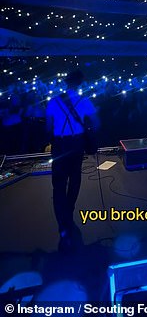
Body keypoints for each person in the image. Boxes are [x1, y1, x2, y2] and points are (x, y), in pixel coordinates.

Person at [46, 70, 100, 249]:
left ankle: (61, 216)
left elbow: (48, 126)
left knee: (58, 181)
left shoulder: (53, 101)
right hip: (76, 143)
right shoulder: (84, 101)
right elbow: (96, 123)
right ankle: (70, 208)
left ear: (66, 83)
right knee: (75, 176)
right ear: (80, 84)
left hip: (60, 144)